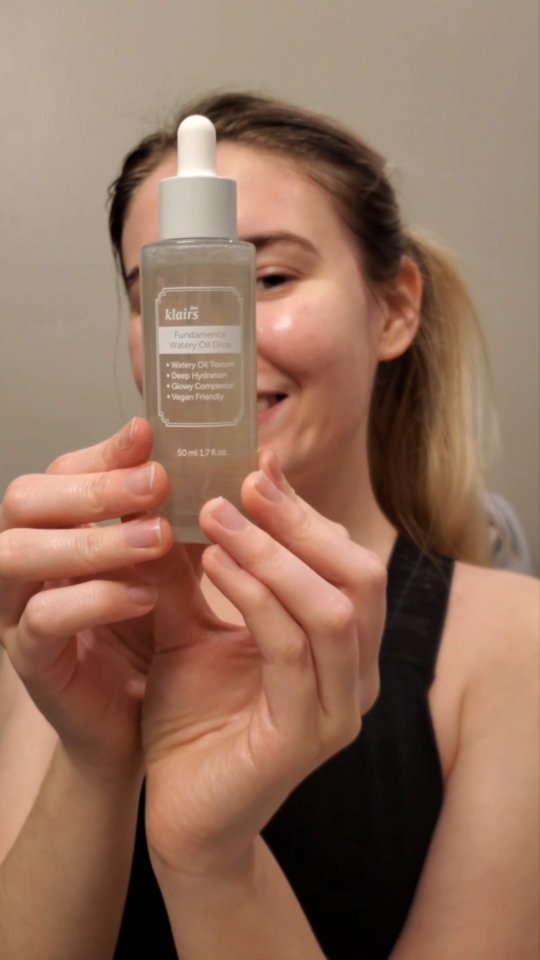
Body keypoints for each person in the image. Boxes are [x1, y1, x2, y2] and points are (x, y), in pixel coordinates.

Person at [0, 91, 538, 960]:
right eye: (159, 294)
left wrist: (212, 858)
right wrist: (95, 761)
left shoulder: (517, 646)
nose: (218, 330)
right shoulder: (84, 621)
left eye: (272, 278)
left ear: (395, 308)